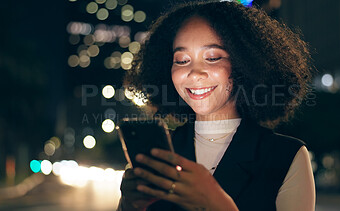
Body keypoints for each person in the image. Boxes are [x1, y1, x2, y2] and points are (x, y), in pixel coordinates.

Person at [118, 1, 315, 210]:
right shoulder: (159, 154)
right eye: (182, 60)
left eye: (212, 58)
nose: (194, 73)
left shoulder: (286, 156)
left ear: (244, 64)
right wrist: (128, 206)